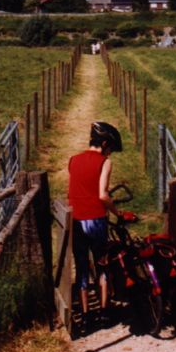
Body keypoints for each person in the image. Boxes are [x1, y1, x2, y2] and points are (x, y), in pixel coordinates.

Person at [68, 121, 123, 331]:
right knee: (102, 265)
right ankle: (104, 312)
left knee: (82, 267)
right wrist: (118, 213)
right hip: (96, 220)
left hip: (76, 220)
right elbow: (102, 195)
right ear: (105, 143)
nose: (110, 154)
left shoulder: (73, 160)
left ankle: (85, 316)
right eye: (110, 149)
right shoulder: (104, 162)